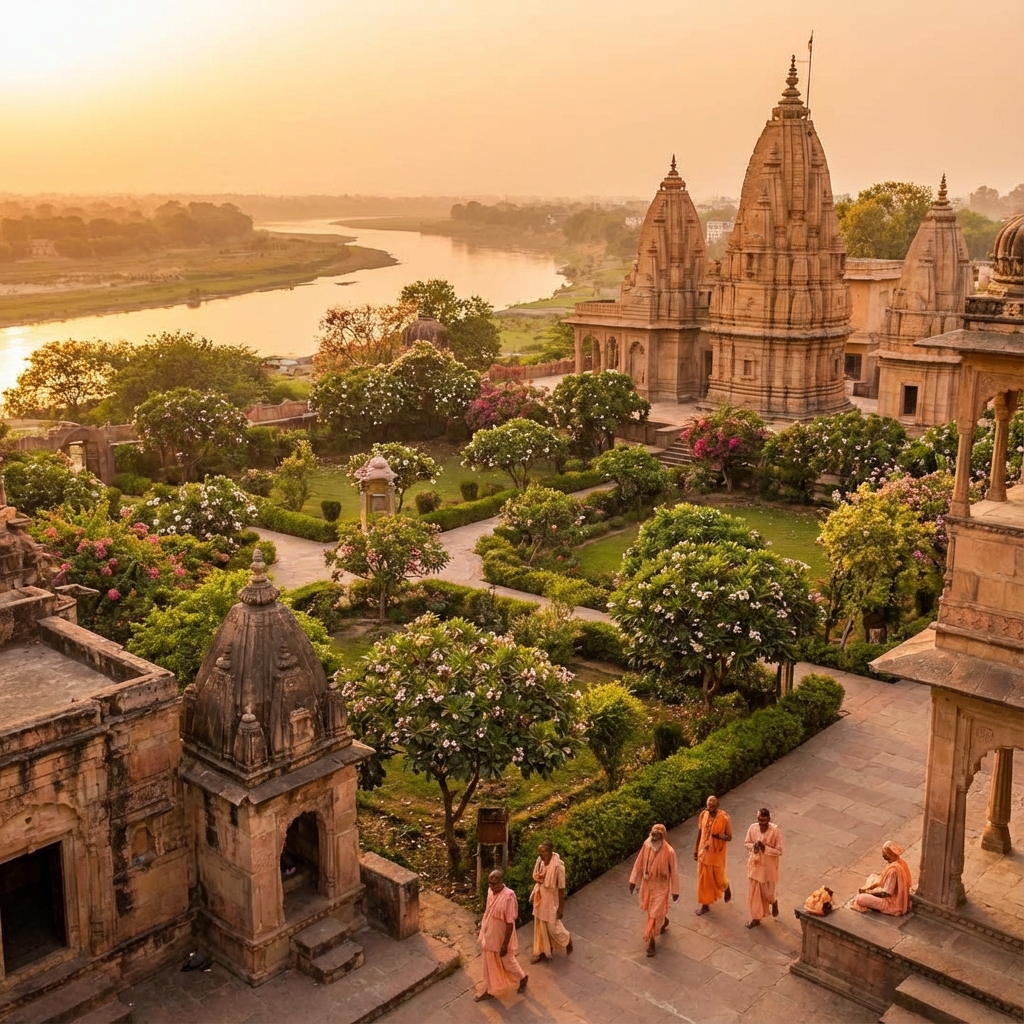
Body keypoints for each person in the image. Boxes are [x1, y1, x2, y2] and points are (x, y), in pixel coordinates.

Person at [475, 869, 528, 1001]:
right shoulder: (490, 892)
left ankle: (522, 977)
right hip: (490, 934)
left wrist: (504, 944)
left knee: (507, 960)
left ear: (501, 882)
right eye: (490, 883)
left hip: (501, 935)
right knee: (488, 963)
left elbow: (510, 923)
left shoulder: (508, 896)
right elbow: (488, 911)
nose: (492, 886)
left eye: (495, 884)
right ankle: (489, 989)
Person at [629, 823, 680, 957]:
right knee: (652, 911)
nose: (654, 836)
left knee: (653, 914)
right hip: (647, 885)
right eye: (653, 833)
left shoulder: (669, 852)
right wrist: (633, 881)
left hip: (661, 888)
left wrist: (675, 891)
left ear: (663, 836)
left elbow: (674, 872)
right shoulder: (647, 845)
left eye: (657, 834)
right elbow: (639, 862)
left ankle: (651, 941)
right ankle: (664, 920)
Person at [531, 840, 572, 963]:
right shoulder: (540, 862)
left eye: (543, 852)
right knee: (540, 925)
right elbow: (537, 876)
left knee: (553, 926)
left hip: (552, 899)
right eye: (540, 852)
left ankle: (567, 939)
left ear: (550, 851)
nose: (541, 854)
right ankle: (542, 951)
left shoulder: (558, 866)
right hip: (540, 897)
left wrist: (560, 908)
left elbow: (561, 888)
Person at [744, 807, 784, 928]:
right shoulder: (753, 828)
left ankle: (773, 902)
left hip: (768, 869)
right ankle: (756, 918)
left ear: (769, 819)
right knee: (754, 893)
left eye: (764, 820)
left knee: (768, 894)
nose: (761, 823)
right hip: (755, 866)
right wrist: (754, 846)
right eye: (759, 820)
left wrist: (764, 848)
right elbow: (746, 843)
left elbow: (779, 851)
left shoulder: (775, 831)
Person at [694, 795, 732, 915]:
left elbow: (729, 837)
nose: (709, 808)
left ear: (717, 806)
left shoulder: (724, 818)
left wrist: (719, 836)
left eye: (712, 806)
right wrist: (696, 849)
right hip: (703, 852)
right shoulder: (703, 815)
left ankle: (725, 887)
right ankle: (705, 905)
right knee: (703, 880)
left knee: (717, 877)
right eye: (708, 805)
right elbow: (700, 832)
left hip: (716, 853)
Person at [852, 841, 913, 916]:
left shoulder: (893, 871)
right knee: (872, 877)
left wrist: (868, 892)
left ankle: (876, 904)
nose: (883, 855)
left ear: (888, 855)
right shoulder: (900, 861)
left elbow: (885, 893)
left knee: (860, 898)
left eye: (884, 853)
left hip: (892, 903)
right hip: (898, 897)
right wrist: (870, 887)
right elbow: (881, 880)